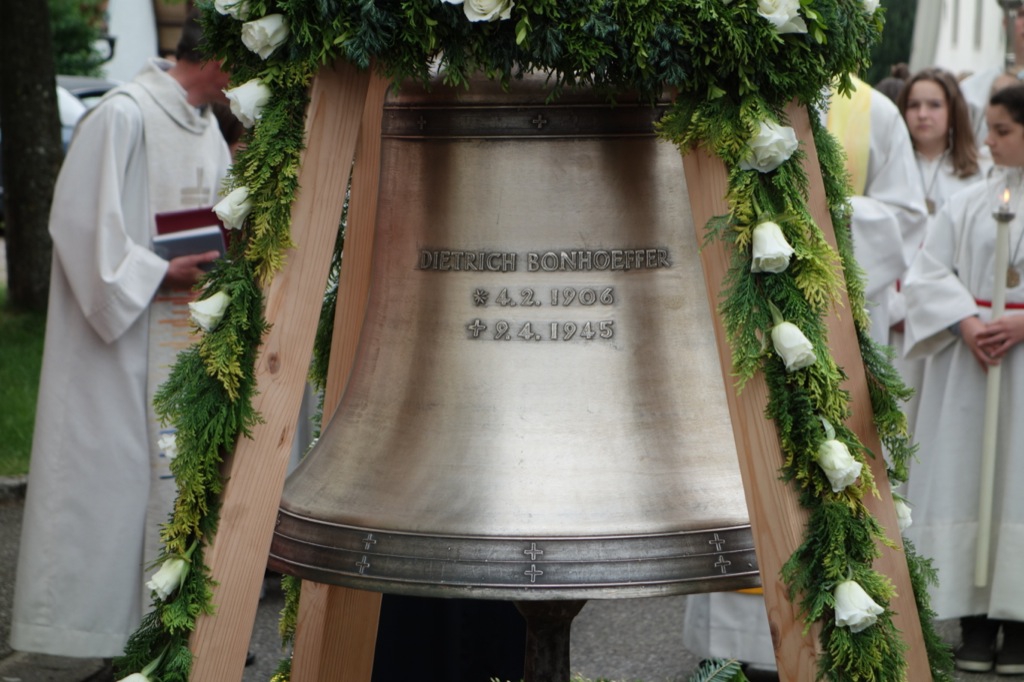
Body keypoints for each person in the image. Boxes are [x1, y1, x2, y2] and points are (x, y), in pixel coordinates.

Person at [682, 76, 928, 675]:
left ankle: (832, 637)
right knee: (737, 484)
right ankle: (732, 658)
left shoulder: (874, 112)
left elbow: (904, 221)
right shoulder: (713, 93)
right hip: (736, 325)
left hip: (830, 334)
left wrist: (814, 213)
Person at [8, 10, 231, 659]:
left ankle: (159, 642)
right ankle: (113, 643)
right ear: (219, 58)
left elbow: (210, 215)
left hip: (176, 339)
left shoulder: (205, 127)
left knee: (162, 491)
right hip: (120, 351)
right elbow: (78, 225)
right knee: (111, 496)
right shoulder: (123, 116)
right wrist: (159, 271)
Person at [901, 83, 1024, 676]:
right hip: (972, 368)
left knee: (1016, 486)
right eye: (992, 129)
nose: (992, 140)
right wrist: (967, 322)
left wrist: (1022, 324)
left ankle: (1020, 627)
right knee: (970, 480)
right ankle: (972, 626)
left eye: (1003, 131)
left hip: (1020, 369)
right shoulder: (969, 203)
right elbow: (926, 274)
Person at [891, 68, 987, 429]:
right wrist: (897, 306)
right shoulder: (888, 169)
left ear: (953, 112)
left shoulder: (976, 177)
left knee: (930, 424)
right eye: (913, 105)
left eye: (934, 104)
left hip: (946, 326)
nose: (922, 114)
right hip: (892, 320)